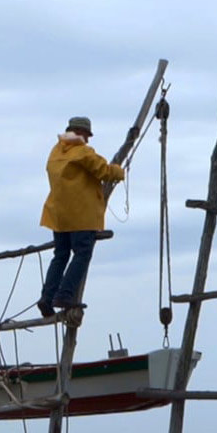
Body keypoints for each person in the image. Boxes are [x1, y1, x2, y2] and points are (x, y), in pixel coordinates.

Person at [37, 116, 125, 317]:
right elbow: (104, 171)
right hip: (81, 215)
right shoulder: (82, 151)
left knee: (60, 256)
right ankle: (65, 295)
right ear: (83, 134)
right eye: (87, 135)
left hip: (58, 215)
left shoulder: (56, 151)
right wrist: (119, 172)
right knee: (82, 253)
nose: (88, 140)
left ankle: (47, 297)